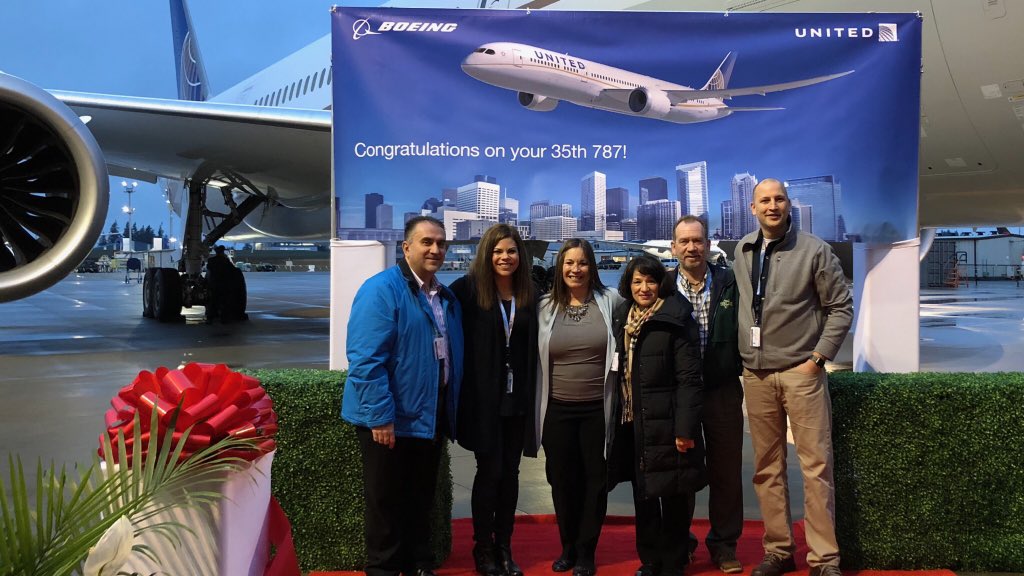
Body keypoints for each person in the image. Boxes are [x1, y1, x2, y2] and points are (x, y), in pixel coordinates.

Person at [734, 179, 853, 576]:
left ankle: (824, 559)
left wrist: (817, 360)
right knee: (766, 468)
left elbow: (840, 308)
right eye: (764, 200)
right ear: (752, 208)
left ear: (789, 205)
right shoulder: (742, 250)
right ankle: (779, 551)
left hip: (801, 373)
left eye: (779, 199)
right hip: (756, 375)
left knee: (816, 466)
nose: (772, 206)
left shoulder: (815, 250)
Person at [342, 216, 464, 576]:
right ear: (406, 247)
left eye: (441, 243)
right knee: (385, 503)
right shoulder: (381, 290)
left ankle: (417, 563)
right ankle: (382, 569)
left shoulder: (444, 296)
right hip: (390, 419)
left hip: (428, 415)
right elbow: (365, 360)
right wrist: (380, 416)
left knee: (419, 497)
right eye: (426, 242)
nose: (435, 249)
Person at [608, 253, 705, 576]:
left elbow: (689, 379)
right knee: (644, 493)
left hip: (669, 420)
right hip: (634, 419)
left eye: (650, 280)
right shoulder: (623, 316)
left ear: (661, 283)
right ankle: (649, 559)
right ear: (629, 284)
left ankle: (675, 559)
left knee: (674, 493)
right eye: (637, 281)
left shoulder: (677, 316)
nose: (644, 287)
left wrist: (686, 427)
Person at [450, 224, 538, 576]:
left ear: (521, 256)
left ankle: (505, 547)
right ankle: (482, 548)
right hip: (483, 401)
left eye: (512, 251)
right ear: (487, 254)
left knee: (512, 473)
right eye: (498, 251)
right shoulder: (466, 292)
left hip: (517, 400)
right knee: (489, 472)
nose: (505, 257)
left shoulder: (530, 293)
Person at [536, 239, 623, 576]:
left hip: (597, 409)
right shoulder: (545, 306)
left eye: (582, 262)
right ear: (560, 267)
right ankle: (568, 546)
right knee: (561, 481)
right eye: (569, 263)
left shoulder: (611, 301)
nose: (575, 269)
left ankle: (587, 551)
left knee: (594, 481)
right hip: (557, 410)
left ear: (592, 267)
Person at [666, 216, 745, 574]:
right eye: (683, 241)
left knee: (726, 470)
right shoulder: (663, 286)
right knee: (682, 471)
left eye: (697, 240)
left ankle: (724, 543)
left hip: (722, 390)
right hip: (679, 395)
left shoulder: (730, 283)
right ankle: (680, 543)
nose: (691, 248)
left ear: (709, 244)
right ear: (673, 248)